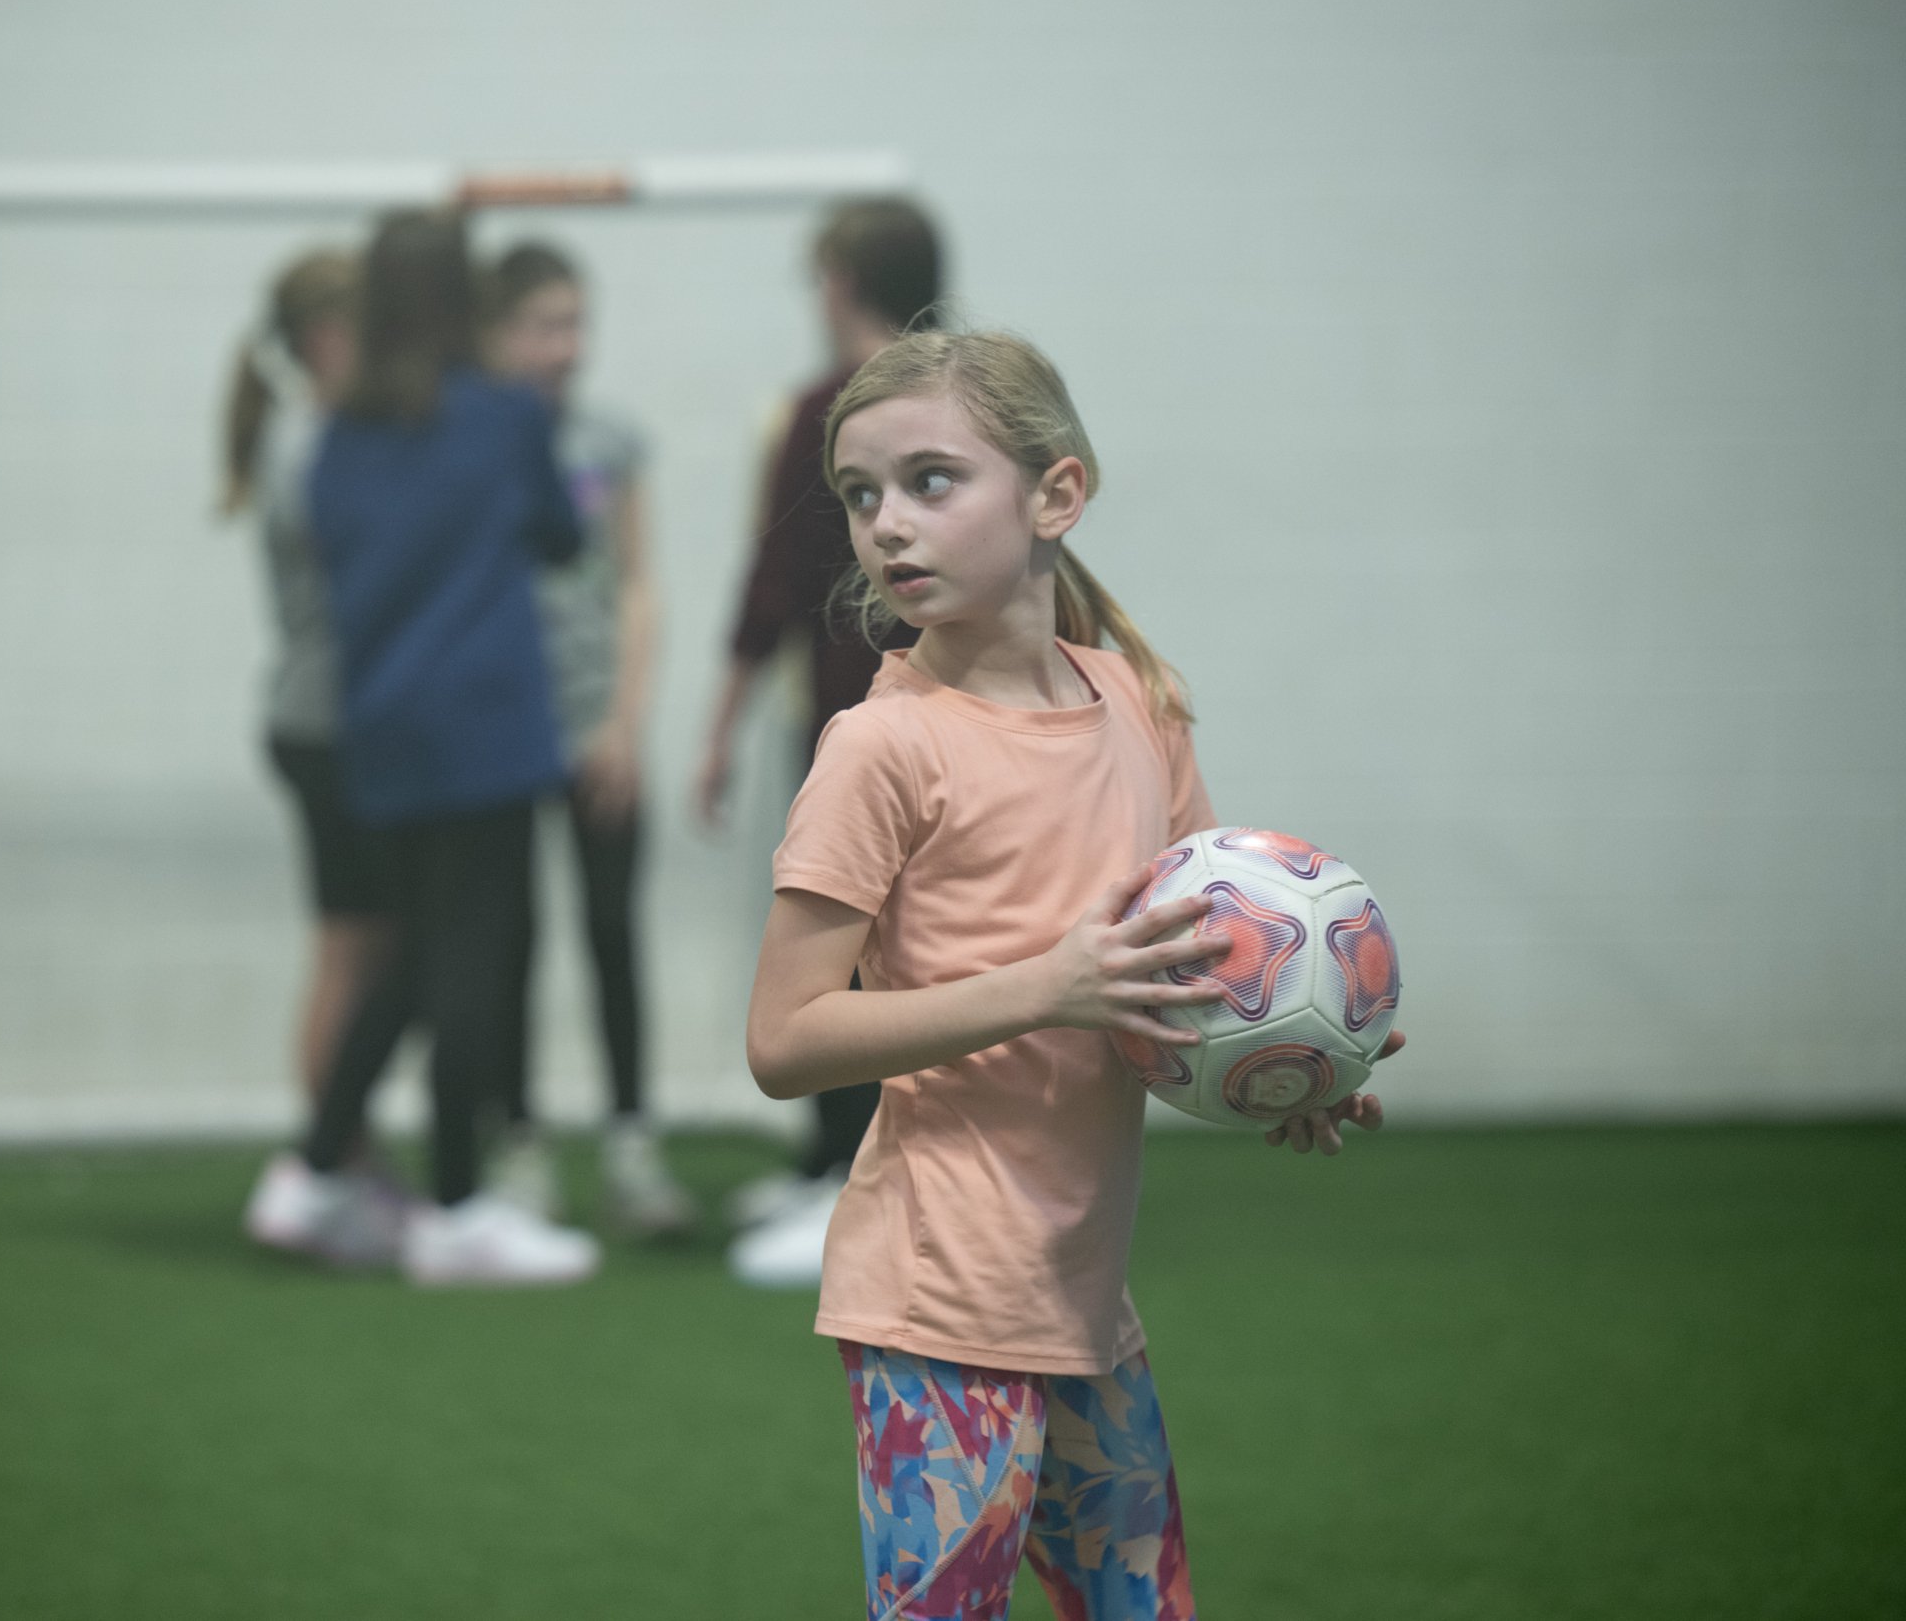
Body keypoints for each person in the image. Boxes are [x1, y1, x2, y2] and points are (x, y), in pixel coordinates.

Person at [743, 329, 1404, 1619]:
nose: (888, 524)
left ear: (1056, 495)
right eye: (862, 494)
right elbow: (784, 1038)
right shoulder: (880, 750)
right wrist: (1047, 986)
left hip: (1082, 1296)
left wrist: (1281, 1069)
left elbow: (1185, 979)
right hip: (937, 1303)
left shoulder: (1136, 703)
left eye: (932, 481)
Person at [244, 209, 601, 1286]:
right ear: (467, 304)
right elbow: (561, 534)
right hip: (483, 727)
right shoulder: (499, 418)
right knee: (470, 967)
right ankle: (454, 1209)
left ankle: (312, 1171)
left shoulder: (332, 438)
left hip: (379, 732)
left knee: (405, 959)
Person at [690, 196, 943, 1286]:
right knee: (861, 943)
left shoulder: (834, 412)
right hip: (884, 720)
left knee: (869, 949)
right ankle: (832, 1159)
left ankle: (863, 1179)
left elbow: (772, 585)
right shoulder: (940, 405)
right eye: (862, 499)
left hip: (879, 725)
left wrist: (719, 725)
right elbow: (785, 580)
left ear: (840, 282)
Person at [476, 241, 696, 1237]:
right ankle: (517, 1148)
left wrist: (623, 722)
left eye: (576, 323)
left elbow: (638, 587)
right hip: (495, 733)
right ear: (495, 332)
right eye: (545, 324)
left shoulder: (610, 441)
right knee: (503, 940)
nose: (567, 346)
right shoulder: (468, 437)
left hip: (594, 730)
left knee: (611, 934)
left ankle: (630, 1150)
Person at [218, 249, 395, 1121]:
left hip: (329, 720)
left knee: (364, 948)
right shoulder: (308, 446)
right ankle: (330, 1155)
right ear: (329, 340)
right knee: (351, 950)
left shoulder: (322, 435)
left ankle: (337, 1151)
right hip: (327, 725)